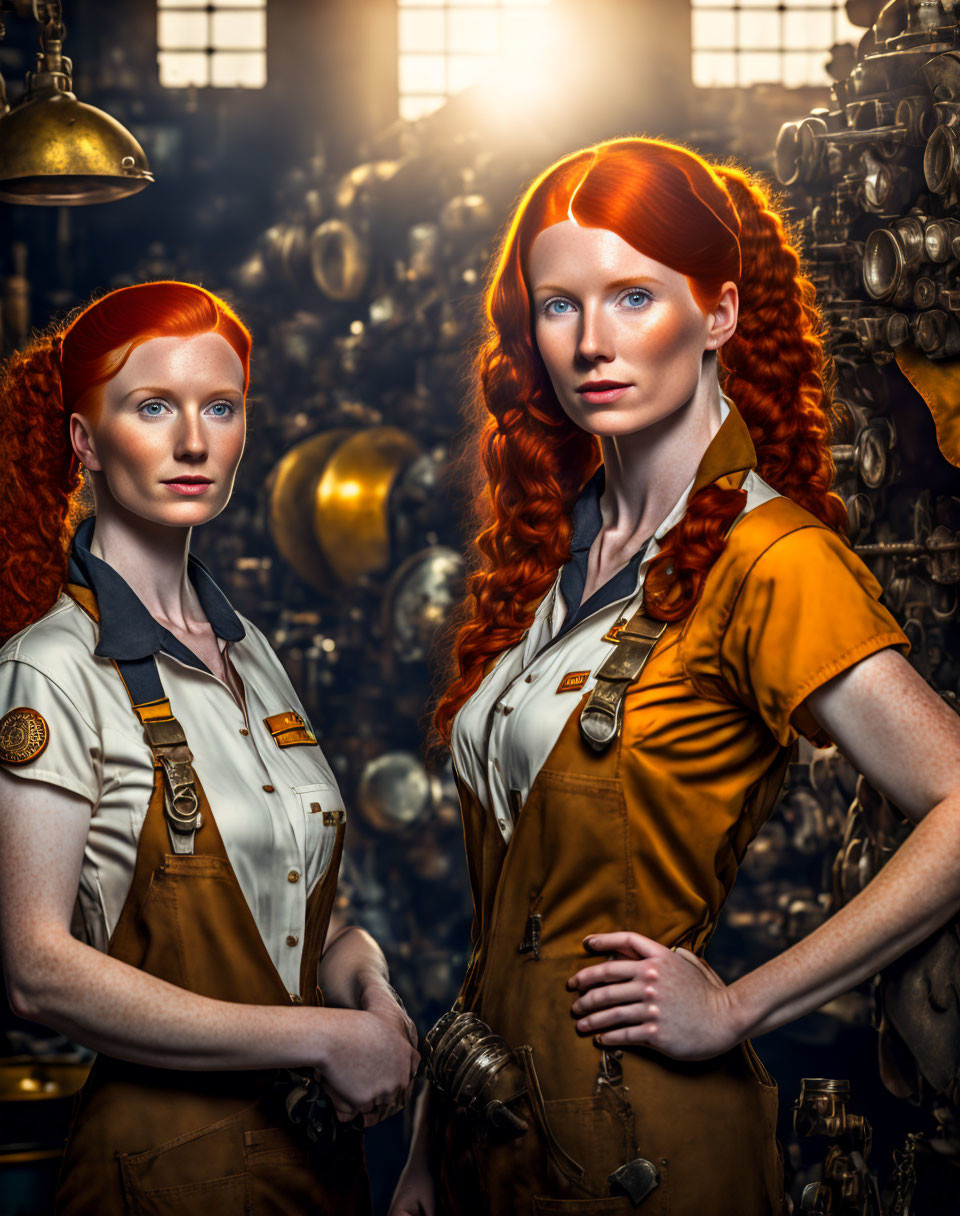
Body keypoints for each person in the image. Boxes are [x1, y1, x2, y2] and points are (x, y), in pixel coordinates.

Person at [389, 138, 960, 1215]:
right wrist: (431, 1138)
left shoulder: (771, 558)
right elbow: (511, 906)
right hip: (488, 1137)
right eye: (559, 306)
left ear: (720, 313)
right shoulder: (562, 550)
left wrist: (741, 1004)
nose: (592, 343)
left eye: (633, 296)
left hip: (641, 1145)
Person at [0, 281, 420, 1215]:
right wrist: (317, 1041)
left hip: (312, 1169)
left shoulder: (249, 652)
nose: (194, 442)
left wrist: (370, 992)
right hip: (162, 1174)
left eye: (219, 408)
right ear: (83, 440)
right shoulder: (50, 669)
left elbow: (293, 924)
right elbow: (36, 970)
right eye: (153, 407)